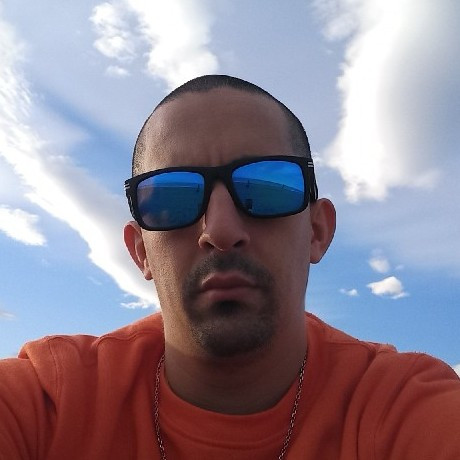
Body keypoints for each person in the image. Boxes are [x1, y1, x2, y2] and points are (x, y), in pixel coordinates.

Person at [0, 75, 459, 460]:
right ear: (140, 252)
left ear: (317, 232)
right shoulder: (50, 403)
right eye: (172, 198)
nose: (220, 230)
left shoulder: (402, 407)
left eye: (267, 187)